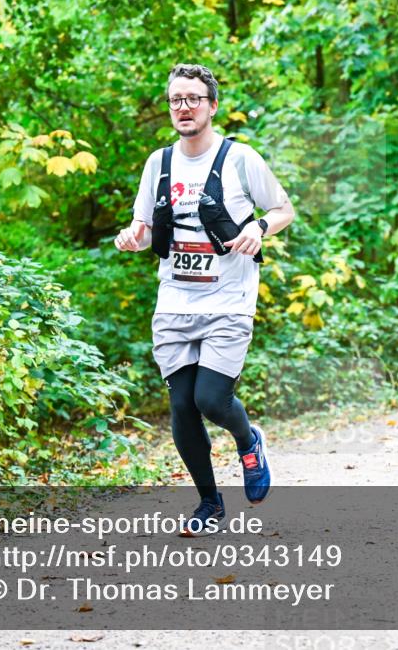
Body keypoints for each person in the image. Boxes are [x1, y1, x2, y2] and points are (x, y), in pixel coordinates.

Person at [114, 64, 295, 535]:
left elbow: (283, 209)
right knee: (181, 406)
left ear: (212, 106)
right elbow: (144, 226)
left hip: (228, 300)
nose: (184, 107)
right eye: (177, 99)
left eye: (194, 98)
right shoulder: (159, 163)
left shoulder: (240, 159)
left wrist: (258, 228)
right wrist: (132, 237)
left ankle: (248, 438)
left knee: (212, 399)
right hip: (174, 301)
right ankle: (210, 504)